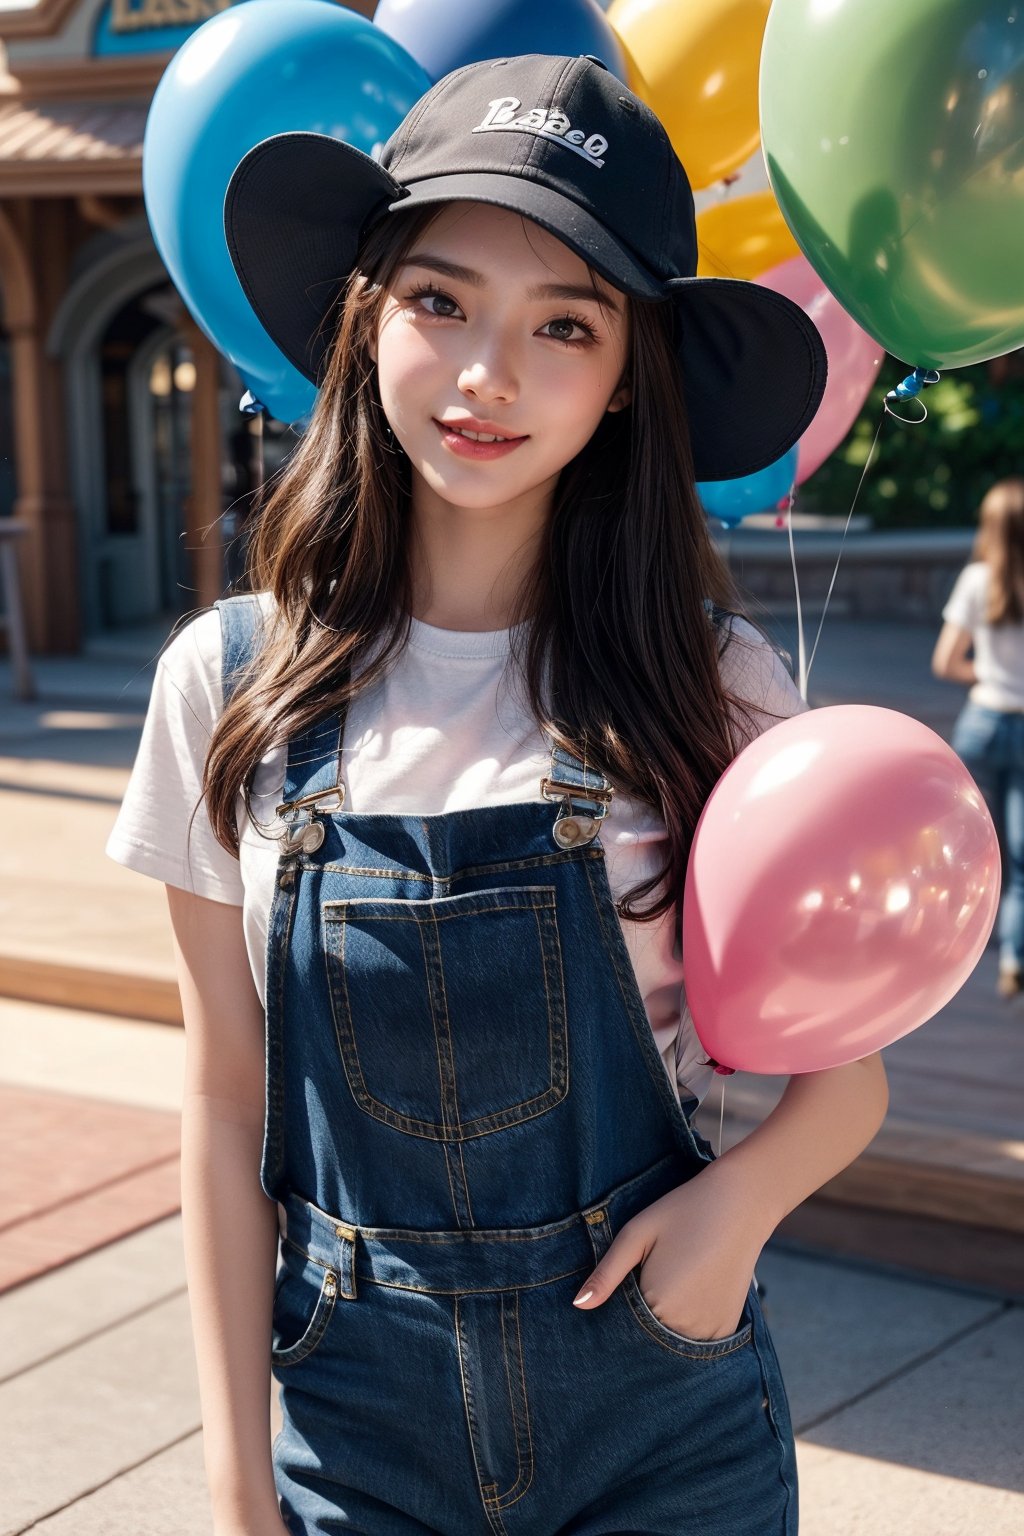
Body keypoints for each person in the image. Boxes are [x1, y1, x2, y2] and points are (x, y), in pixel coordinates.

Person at [106, 53, 889, 1536]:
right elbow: (219, 1108)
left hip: (663, 1423)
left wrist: (729, 1221)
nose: (487, 376)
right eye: (442, 301)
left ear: (621, 385)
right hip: (354, 1434)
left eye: (565, 326)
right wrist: (233, 1488)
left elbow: (844, 1082)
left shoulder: (710, 684)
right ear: (365, 319)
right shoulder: (228, 685)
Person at [932, 475, 1024, 999]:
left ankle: (946, 948)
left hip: (983, 723)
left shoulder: (975, 580)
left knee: (961, 846)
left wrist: (988, 675)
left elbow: (946, 662)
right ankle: (1013, 957)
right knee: (1022, 860)